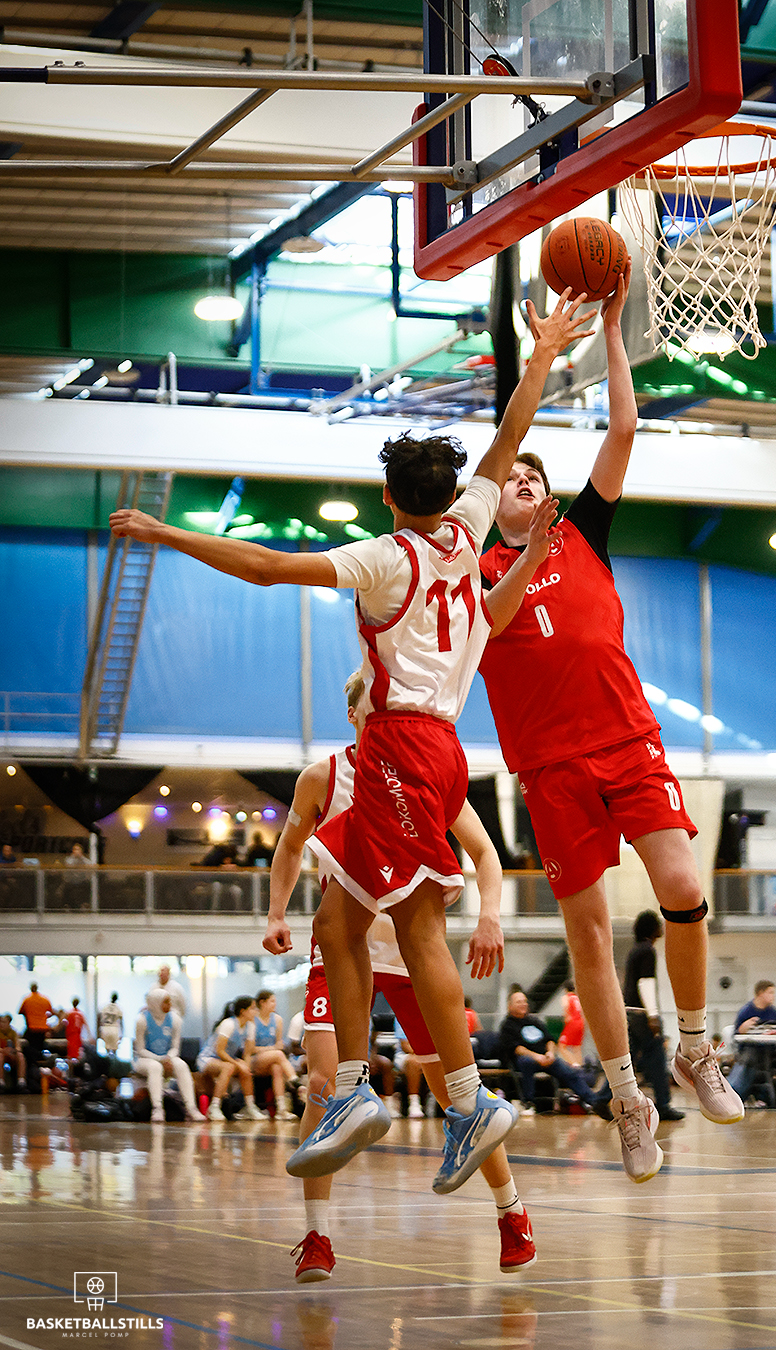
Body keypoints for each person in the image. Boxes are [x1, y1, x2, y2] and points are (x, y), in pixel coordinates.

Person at [112, 290, 592, 1194]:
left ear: (387, 497)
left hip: (405, 747)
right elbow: (509, 433)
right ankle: (361, 1092)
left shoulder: (383, 557)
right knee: (339, 920)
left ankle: (463, 1102)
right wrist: (543, 353)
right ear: (455, 494)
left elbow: (265, 567)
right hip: (434, 751)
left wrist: (161, 531)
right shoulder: (469, 530)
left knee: (415, 928)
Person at [476, 264, 742, 1182]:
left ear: (549, 495)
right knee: (587, 932)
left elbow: (623, 427)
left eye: (533, 474)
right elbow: (493, 623)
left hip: (627, 740)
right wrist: (532, 370)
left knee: (682, 886)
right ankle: (628, 1098)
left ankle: (696, 1047)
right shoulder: (472, 569)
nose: (522, 479)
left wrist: (616, 331)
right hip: (550, 767)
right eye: (511, 476)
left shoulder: (584, 532)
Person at [264, 672, 536, 1280]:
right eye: (375, 705)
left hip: (410, 959)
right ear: (356, 713)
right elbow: (289, 848)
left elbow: (486, 853)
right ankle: (317, 1236)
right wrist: (277, 912)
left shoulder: (420, 770)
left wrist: (490, 915)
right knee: (323, 1082)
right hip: (343, 954)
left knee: (454, 1093)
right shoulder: (323, 777)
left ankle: (511, 1212)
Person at [593, 911, 683, 1122]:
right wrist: (653, 1015)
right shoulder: (647, 951)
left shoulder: (636, 950)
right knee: (657, 1058)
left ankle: (601, 1098)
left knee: (627, 1060)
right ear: (651, 929)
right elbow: (646, 982)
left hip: (629, 1013)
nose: (661, 927)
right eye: (658, 924)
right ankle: (664, 1104)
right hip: (641, 1015)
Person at [498, 990, 598, 1115]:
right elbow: (516, 1048)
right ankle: (528, 1102)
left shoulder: (534, 1021)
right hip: (525, 1059)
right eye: (519, 1002)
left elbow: (549, 1040)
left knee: (569, 1072)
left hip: (546, 1058)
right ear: (510, 1006)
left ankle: (594, 1101)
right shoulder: (507, 1026)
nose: (523, 1004)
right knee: (526, 1063)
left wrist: (550, 1053)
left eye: (524, 1001)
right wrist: (537, 1057)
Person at [728, 981, 776, 1108]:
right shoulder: (746, 1011)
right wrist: (742, 1029)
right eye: (770, 992)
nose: (773, 996)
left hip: (771, 1053)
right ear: (760, 993)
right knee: (751, 1060)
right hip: (753, 1054)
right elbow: (736, 1037)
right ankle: (737, 1095)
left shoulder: (774, 1012)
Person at [134, 989, 205, 1123]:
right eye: (166, 1002)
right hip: (145, 1059)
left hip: (167, 1058)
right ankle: (157, 1108)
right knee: (155, 1067)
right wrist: (160, 1059)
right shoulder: (142, 1020)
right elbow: (140, 1050)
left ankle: (191, 1108)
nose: (170, 1004)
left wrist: (168, 1058)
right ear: (156, 1002)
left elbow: (175, 1047)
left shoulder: (175, 1019)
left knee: (182, 1065)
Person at [196, 996, 267, 1121]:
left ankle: (250, 1107)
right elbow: (220, 1051)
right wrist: (238, 1064)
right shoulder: (228, 1024)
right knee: (229, 1067)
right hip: (207, 1058)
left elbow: (247, 1053)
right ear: (243, 1011)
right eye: (253, 1008)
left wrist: (245, 1067)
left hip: (226, 1060)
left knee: (245, 1068)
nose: (256, 1011)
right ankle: (214, 1107)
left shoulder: (250, 1026)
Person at [249, 989, 300, 1120]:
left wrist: (275, 1049)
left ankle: (281, 1109)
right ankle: (294, 1081)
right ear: (262, 1003)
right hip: (254, 1060)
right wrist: (271, 1049)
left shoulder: (277, 1020)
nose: (275, 1004)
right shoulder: (253, 1020)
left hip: (272, 1059)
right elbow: (251, 1049)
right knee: (278, 1055)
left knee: (277, 1067)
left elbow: (279, 1043)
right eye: (272, 1001)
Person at [19, 982, 54, 1085]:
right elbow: (51, 1012)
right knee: (39, 1048)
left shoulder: (27, 999)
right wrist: (43, 1018)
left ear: (31, 988)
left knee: (28, 1049)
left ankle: (32, 1071)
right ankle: (41, 1064)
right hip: (43, 1029)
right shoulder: (45, 999)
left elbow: (21, 1011)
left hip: (32, 1028)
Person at [557, 982, 585, 1066]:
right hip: (580, 1022)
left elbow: (566, 1007)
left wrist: (566, 1017)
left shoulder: (566, 997)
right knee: (576, 1047)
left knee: (562, 1046)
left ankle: (575, 1064)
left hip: (572, 1022)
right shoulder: (577, 998)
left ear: (565, 990)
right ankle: (580, 1066)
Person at [0, 1013, 27, 1091]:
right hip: (2, 1054)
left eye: (3, 1022)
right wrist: (4, 1051)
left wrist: (13, 1051)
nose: (1, 1024)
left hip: (11, 1054)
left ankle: (21, 1081)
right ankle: (1, 1081)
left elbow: (18, 1047)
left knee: (20, 1055)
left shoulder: (13, 1033)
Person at [63, 997, 87, 1068]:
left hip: (70, 1036)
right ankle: (77, 1070)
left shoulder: (68, 1013)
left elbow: (61, 1022)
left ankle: (70, 1070)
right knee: (77, 1055)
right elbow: (86, 1025)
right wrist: (90, 1036)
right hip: (78, 1036)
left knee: (70, 1055)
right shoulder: (81, 1014)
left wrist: (55, 1029)